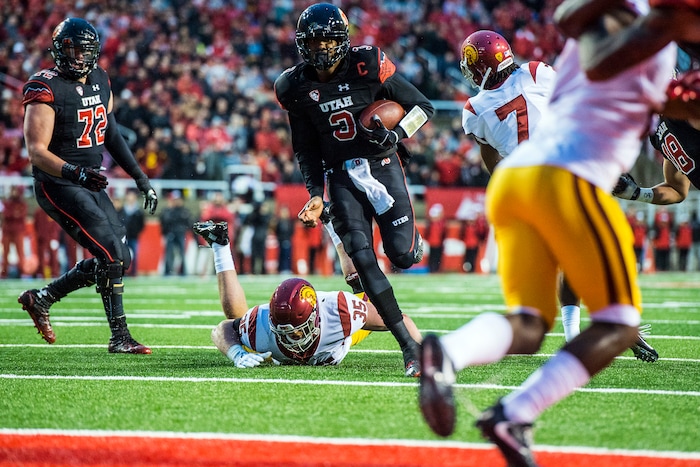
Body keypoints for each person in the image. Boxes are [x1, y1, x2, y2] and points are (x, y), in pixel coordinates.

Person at [418, 1, 700, 465]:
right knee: (620, 324)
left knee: (529, 324)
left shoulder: (588, 34)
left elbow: (571, 17)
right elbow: (663, 97)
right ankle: (514, 412)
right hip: (569, 178)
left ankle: (447, 352)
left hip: (514, 181)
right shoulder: (649, 57)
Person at [458, 29, 657, 355]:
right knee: (593, 254)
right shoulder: (536, 71)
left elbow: (492, 163)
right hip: (568, 169)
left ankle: (580, 330)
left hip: (523, 186)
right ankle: (616, 322)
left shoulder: (473, 109)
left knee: (555, 277)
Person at [274, 3, 435, 376]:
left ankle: (411, 245)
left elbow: (422, 107)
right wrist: (316, 193)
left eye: (329, 40)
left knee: (403, 256)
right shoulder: (294, 86)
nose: (321, 49)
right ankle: (409, 348)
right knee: (362, 261)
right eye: (314, 41)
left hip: (381, 165)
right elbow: (305, 149)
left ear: (344, 40)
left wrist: (395, 134)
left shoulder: (369, 63)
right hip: (341, 176)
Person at [18, 17, 158, 353]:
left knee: (118, 258)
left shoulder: (100, 80)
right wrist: (74, 173)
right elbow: (36, 152)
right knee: (110, 251)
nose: (78, 56)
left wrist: (140, 177)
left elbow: (110, 132)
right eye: (72, 49)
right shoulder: (44, 86)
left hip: (90, 181)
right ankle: (120, 337)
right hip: (58, 182)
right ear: (58, 49)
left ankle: (43, 298)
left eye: (85, 50)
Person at [193, 220, 422, 367]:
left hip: (336, 334)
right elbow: (223, 329)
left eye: (297, 332)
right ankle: (220, 246)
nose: (292, 340)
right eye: (285, 333)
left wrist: (420, 353)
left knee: (364, 289)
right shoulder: (260, 323)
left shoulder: (341, 313)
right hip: (309, 328)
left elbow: (399, 319)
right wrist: (236, 353)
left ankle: (332, 224)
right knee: (237, 322)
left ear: (316, 319)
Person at [159, 190, 193, 276]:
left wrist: (183, 229)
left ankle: (183, 271)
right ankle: (168, 271)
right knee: (169, 254)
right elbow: (164, 221)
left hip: (180, 234)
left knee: (182, 254)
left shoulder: (184, 211)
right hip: (171, 233)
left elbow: (188, 223)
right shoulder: (168, 210)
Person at [115, 190, 145, 276]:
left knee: (135, 255)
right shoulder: (122, 210)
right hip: (123, 236)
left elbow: (141, 224)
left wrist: (136, 231)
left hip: (133, 236)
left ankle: (133, 272)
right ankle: (123, 271)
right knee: (122, 255)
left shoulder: (138, 211)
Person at [1, 185, 28, 278]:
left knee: (20, 252)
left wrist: (12, 214)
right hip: (7, 230)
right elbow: (6, 215)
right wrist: (14, 214)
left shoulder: (22, 204)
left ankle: (22, 273)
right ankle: (4, 273)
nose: (13, 192)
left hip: (18, 231)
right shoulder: (7, 203)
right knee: (5, 253)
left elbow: (21, 215)